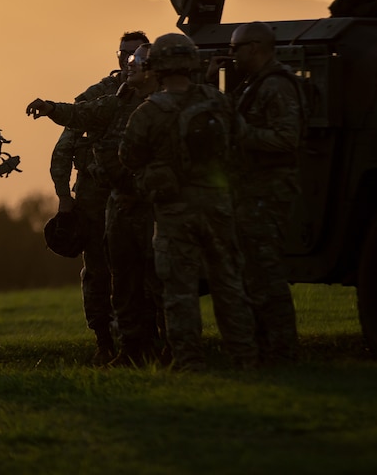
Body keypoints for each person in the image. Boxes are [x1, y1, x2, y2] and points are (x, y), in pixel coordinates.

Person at [120, 33, 258, 371]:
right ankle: (245, 357)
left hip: (174, 212)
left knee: (179, 289)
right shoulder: (219, 102)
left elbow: (128, 156)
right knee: (229, 283)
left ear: (157, 68)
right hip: (219, 208)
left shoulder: (149, 112)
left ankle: (189, 360)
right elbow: (242, 144)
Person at [27, 44, 164, 366]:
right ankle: (124, 347)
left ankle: (163, 346)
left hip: (151, 204)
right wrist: (49, 107)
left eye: (137, 60)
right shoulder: (116, 99)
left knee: (154, 278)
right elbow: (80, 116)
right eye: (127, 57)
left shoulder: (165, 105)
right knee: (116, 277)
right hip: (111, 202)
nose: (129, 64)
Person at [211, 21, 305, 364]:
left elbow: (285, 138)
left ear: (256, 48)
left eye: (236, 49)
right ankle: (265, 348)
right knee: (252, 274)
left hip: (269, 192)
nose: (232, 56)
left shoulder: (277, 86)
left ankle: (282, 351)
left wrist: (242, 132)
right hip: (253, 193)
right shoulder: (255, 85)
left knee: (267, 276)